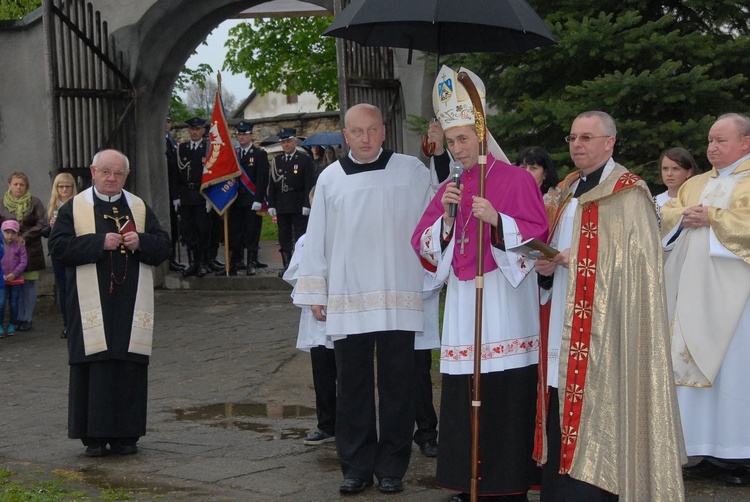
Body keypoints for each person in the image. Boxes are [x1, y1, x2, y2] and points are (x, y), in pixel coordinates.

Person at [413, 65, 548, 502]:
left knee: (504, 392)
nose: (458, 148)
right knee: (462, 390)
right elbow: (423, 243)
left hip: (505, 301)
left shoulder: (516, 180)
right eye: (451, 141)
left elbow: (538, 242)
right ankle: (465, 479)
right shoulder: (451, 185)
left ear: (483, 136)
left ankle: (506, 482)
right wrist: (448, 220)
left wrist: (499, 222)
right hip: (464, 303)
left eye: (464, 139)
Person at [533, 111, 685, 501]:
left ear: (609, 142)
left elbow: (637, 268)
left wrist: (578, 256)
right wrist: (548, 267)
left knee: (603, 407)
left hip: (609, 328)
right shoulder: (567, 190)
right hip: (563, 324)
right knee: (559, 403)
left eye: (586, 137)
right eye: (572, 138)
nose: (577, 145)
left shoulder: (629, 193)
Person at [293, 103, 433, 495]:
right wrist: (315, 289)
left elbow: (437, 218)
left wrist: (439, 159)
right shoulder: (331, 178)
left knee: (398, 385)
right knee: (352, 385)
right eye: (357, 131)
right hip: (348, 293)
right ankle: (355, 466)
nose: (366, 138)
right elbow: (316, 237)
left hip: (397, 290)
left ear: (384, 131)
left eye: (372, 130)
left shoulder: (412, 171)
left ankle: (392, 466)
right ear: (345, 134)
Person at [48, 149, 171, 457]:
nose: (112, 178)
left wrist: (141, 241)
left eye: (118, 173)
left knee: (129, 365)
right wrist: (98, 243)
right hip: (90, 303)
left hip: (131, 304)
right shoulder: (73, 208)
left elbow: (163, 247)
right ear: (93, 171)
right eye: (106, 172)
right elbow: (59, 248)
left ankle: (127, 436)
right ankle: (93, 437)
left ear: (126, 176)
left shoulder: (138, 207)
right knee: (95, 364)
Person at [661, 113, 750, 486]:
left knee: (734, 371)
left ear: (745, 142)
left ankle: (739, 455)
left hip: (737, 296)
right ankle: (701, 447)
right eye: (710, 141)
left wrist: (711, 217)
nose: (712, 147)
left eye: (721, 141)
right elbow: (666, 213)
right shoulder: (695, 183)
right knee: (688, 363)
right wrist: (683, 217)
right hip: (691, 292)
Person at [283, 186, 337, 446]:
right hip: (318, 319)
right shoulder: (305, 240)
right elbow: (294, 273)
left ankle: (352, 424)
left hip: (345, 313)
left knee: (350, 377)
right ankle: (327, 424)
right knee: (323, 375)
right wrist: (315, 289)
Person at [220, 120, 269, 276]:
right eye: (239, 134)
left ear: (251, 136)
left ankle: (251, 263)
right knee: (235, 233)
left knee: (252, 232)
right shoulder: (233, 154)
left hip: (251, 199)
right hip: (235, 200)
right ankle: (234, 263)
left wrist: (258, 199)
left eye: (244, 134)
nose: (241, 137)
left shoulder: (259, 154)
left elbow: (262, 179)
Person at [0, 172, 46, 332]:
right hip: (9, 253)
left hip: (31, 249)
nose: (18, 187)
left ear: (27, 186)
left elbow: (42, 223)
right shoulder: (2, 204)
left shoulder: (35, 202)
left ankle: (27, 318)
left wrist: (24, 235)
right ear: (9, 185)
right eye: (15, 184)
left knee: (29, 285)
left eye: (22, 184)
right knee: (15, 285)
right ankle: (17, 317)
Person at [268, 128, 315, 277]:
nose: (286, 145)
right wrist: (271, 204)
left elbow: (310, 183)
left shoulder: (304, 159)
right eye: (283, 142)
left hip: (298, 203)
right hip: (282, 203)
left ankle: (301, 265)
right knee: (284, 236)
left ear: (294, 141)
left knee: (301, 236)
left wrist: (307, 204)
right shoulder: (277, 161)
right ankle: (287, 265)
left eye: (288, 141)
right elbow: (273, 185)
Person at [43, 173, 78, 338]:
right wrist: (51, 227)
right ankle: (67, 324)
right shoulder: (52, 206)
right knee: (63, 289)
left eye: (67, 186)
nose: (64, 189)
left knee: (77, 288)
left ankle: (78, 323)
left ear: (72, 188)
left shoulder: (78, 204)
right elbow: (44, 232)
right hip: (58, 252)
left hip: (74, 250)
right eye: (61, 186)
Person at [177, 117, 212, 277]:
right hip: (186, 195)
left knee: (203, 230)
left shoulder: (208, 148)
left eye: (197, 129)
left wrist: (210, 198)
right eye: (192, 129)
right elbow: (176, 174)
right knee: (188, 230)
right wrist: (176, 196)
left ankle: (203, 263)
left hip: (202, 194)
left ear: (203, 131)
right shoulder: (182, 148)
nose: (194, 132)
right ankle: (192, 263)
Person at [653, 147, 698, 229]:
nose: (669, 174)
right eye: (665, 169)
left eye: (675, 169)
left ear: (689, 172)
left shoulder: (697, 200)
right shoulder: (653, 203)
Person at [515, 146, 561, 224]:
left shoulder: (554, 198)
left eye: (533, 168)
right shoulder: (511, 195)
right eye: (523, 168)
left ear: (545, 174)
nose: (527, 173)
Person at [165, 115, 185, 272]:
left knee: (174, 227)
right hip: (165, 190)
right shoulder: (162, 141)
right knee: (168, 226)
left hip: (173, 191)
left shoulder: (170, 140)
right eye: (164, 122)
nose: (166, 124)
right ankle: (168, 258)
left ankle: (172, 257)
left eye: (168, 122)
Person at [1, 219, 26, 338]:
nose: (10, 235)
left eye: (13, 233)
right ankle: (0, 325)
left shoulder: (20, 246)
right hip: (2, 279)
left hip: (16, 280)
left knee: (14, 303)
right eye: (7, 232)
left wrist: (14, 274)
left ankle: (12, 324)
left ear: (17, 234)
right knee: (1, 303)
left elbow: (23, 262)